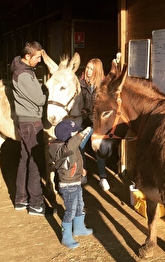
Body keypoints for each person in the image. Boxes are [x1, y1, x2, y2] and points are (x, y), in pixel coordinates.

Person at [11, 41, 55, 216]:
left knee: (24, 160)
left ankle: (21, 200)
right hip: (31, 122)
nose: (39, 60)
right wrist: (48, 90)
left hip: (25, 121)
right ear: (27, 56)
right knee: (35, 164)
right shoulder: (24, 75)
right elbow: (39, 100)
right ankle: (36, 204)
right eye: (37, 57)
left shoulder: (23, 69)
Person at [49, 119, 94, 249]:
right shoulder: (59, 149)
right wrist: (80, 136)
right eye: (74, 133)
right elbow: (70, 148)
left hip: (76, 182)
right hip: (68, 186)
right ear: (67, 136)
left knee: (80, 205)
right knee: (70, 210)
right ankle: (66, 236)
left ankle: (79, 227)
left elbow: (75, 160)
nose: (77, 134)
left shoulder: (69, 146)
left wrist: (81, 170)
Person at [80, 58, 110, 191]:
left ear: (97, 71)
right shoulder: (81, 84)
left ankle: (103, 177)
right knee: (79, 146)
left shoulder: (103, 87)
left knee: (98, 149)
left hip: (97, 124)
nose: (88, 71)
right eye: (87, 67)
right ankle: (83, 172)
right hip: (84, 121)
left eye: (91, 69)